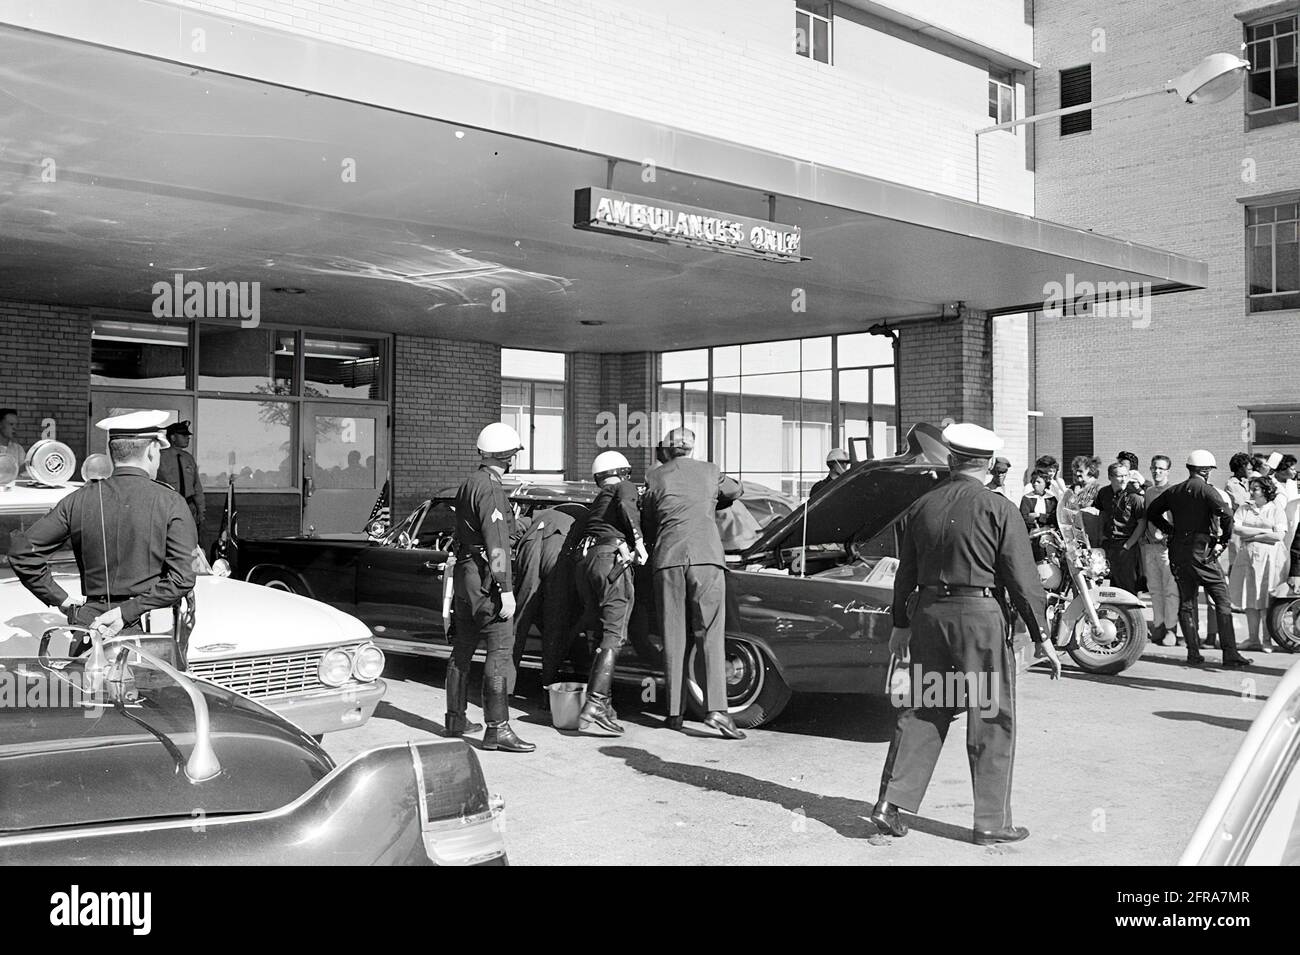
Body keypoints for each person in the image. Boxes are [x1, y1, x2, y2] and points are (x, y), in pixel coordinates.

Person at [870, 423, 1060, 845]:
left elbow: (906, 573)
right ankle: (991, 822)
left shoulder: (922, 506)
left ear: (951, 460)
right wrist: (1042, 635)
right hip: (979, 619)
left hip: (929, 616)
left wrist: (900, 623)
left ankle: (890, 804)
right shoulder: (999, 507)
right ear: (990, 464)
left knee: (923, 707)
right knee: (990, 715)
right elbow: (1022, 580)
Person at [8, 411, 197, 643]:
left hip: (91, 625)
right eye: (158, 450)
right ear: (151, 450)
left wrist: (63, 600)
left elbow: (22, 553)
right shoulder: (170, 501)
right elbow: (182, 579)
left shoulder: (78, 499)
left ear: (110, 452)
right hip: (148, 629)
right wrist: (125, 612)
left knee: (82, 680)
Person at [641, 427, 744, 739]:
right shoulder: (711, 471)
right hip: (706, 556)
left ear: (668, 451)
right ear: (692, 447)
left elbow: (649, 516)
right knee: (710, 633)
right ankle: (717, 711)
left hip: (668, 559)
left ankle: (674, 712)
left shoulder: (655, 476)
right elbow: (736, 490)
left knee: (673, 634)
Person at [445, 422, 534, 753]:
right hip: (486, 578)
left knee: (464, 647)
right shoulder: (493, 490)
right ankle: (497, 729)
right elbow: (497, 544)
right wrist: (505, 588)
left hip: (466, 575)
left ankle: (455, 718)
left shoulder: (469, 483)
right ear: (508, 456)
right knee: (499, 647)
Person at [1147, 450, 1250, 668]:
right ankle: (1229, 653)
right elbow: (1226, 514)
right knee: (1222, 599)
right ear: (1204, 470)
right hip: (1202, 551)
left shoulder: (1174, 491)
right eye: (1210, 470)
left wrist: (1170, 531)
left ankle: (1193, 653)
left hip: (1178, 552)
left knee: (1187, 602)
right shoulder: (1206, 490)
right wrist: (1223, 539)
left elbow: (1152, 512)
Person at [574, 451, 648, 734]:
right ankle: (594, 703)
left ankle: (605, 706)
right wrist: (639, 543)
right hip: (612, 560)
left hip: (589, 561)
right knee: (615, 633)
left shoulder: (599, 500)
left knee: (601, 631)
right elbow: (629, 507)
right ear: (624, 472)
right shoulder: (624, 487)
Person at [510, 502, 583, 698]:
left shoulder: (540, 513)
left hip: (529, 546)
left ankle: (503, 689)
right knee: (555, 622)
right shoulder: (587, 515)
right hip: (559, 552)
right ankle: (548, 691)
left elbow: (514, 528)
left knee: (519, 620)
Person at [1128, 455, 1181, 646]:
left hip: (1167, 547)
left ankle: (1171, 629)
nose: (1157, 472)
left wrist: (1170, 539)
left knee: (1170, 590)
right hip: (1150, 547)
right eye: (1154, 468)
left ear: (1167, 471)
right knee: (1154, 589)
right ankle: (1158, 626)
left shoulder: (1174, 491)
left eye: (1160, 469)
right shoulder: (1149, 492)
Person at [1229, 475, 1286, 652]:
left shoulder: (1275, 509)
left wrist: (1251, 534)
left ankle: (1267, 640)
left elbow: (1278, 536)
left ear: (1266, 491)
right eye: (1251, 488)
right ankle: (1253, 638)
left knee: (1266, 599)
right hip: (1247, 557)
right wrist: (1264, 531)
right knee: (1249, 599)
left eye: (1256, 488)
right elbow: (1236, 528)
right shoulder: (1245, 508)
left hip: (1270, 559)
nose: (1252, 491)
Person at [1095, 462, 1143, 594]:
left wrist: (1128, 545)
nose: (1123, 479)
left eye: (1125, 475)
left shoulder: (1134, 496)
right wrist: (1100, 537)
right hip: (1108, 544)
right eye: (1119, 476)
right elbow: (1102, 515)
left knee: (1127, 586)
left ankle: (1130, 614)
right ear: (1110, 477)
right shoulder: (1104, 493)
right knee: (1108, 584)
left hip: (1125, 545)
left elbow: (1142, 523)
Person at [156, 420, 206, 547]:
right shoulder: (159, 457)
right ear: (173, 437)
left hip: (189, 506)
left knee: (190, 542)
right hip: (168, 507)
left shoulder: (188, 458)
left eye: (188, 436)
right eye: (183, 435)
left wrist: (201, 511)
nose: (187, 438)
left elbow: (196, 486)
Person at [1019, 470, 1057, 561]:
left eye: (1038, 482)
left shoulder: (1051, 498)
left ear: (1045, 483)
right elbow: (1024, 518)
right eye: (1033, 481)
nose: (1035, 484)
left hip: (1050, 535)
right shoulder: (1027, 498)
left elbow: (1054, 518)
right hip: (1033, 537)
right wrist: (1045, 518)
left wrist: (1039, 516)